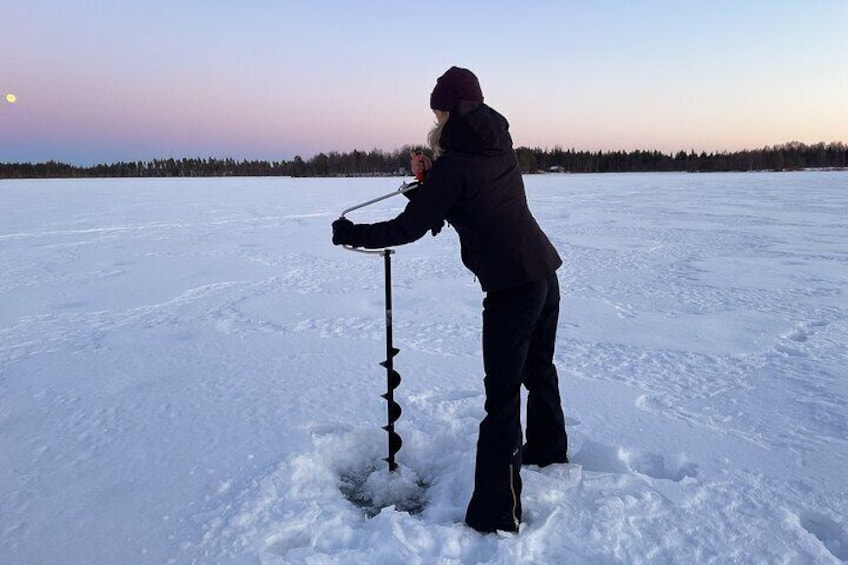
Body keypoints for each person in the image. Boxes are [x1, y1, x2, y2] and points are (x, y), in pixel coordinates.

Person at [331, 66, 568, 534]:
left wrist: (351, 233)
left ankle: (497, 515)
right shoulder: (498, 147)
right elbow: (468, 194)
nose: (434, 115)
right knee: (538, 371)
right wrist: (432, 179)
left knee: (501, 400)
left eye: (437, 107)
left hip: (511, 290)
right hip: (543, 274)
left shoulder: (456, 164)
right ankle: (549, 454)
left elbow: (409, 226)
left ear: (449, 109)